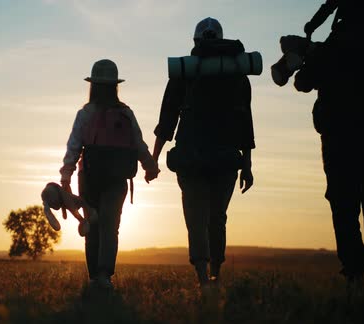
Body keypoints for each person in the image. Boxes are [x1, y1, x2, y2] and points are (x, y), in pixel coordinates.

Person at [152, 17, 255, 288]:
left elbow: (167, 119)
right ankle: (216, 274)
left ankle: (202, 279)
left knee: (195, 218)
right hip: (226, 157)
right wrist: (247, 164)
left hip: (191, 156)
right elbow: (246, 123)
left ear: (196, 42)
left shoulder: (184, 72)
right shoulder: (238, 76)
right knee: (217, 218)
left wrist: (153, 157)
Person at [295, 3, 364, 285]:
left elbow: (302, 82)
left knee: (344, 205)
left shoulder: (329, 50)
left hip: (339, 142)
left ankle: (353, 272)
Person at [59, 59, 160, 289]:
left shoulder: (85, 113)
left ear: (92, 85)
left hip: (89, 178)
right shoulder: (125, 113)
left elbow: (74, 146)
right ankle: (104, 275)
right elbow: (138, 144)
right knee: (110, 224)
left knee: (92, 224)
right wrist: (150, 166)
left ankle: (95, 276)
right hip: (117, 178)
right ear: (115, 86)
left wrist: (66, 176)